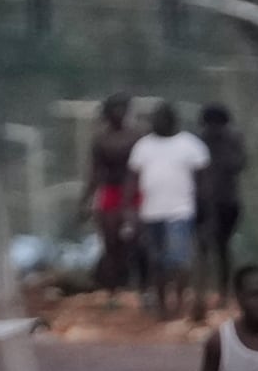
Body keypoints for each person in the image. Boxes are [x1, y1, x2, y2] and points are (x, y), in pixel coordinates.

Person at [129, 101, 213, 324]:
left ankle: (179, 298)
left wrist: (205, 211)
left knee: (178, 260)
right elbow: (133, 180)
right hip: (150, 212)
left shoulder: (190, 145)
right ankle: (162, 305)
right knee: (156, 261)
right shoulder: (143, 146)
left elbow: (203, 180)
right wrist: (131, 211)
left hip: (180, 211)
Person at [86, 94, 143, 299]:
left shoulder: (138, 136)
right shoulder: (100, 139)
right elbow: (94, 172)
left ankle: (138, 285)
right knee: (110, 243)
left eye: (122, 109)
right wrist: (85, 201)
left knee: (136, 242)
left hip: (136, 193)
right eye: (114, 109)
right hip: (110, 192)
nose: (118, 114)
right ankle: (112, 290)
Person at [196, 103, 251, 285]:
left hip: (227, 200)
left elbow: (240, 164)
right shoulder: (199, 142)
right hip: (202, 201)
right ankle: (202, 288)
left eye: (217, 124)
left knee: (222, 246)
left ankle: (224, 289)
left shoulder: (233, 139)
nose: (213, 129)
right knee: (203, 245)